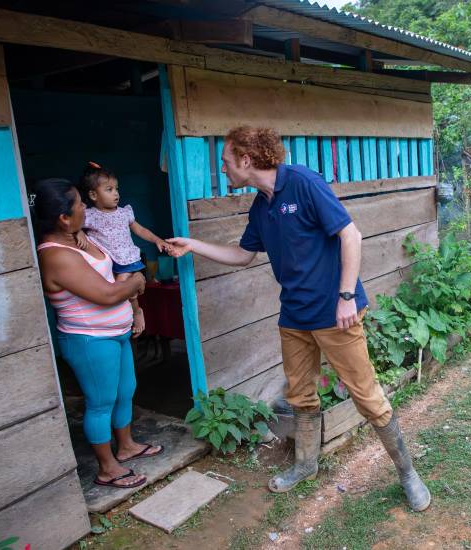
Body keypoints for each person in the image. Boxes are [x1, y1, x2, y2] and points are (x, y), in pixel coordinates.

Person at [167, 126, 431, 511]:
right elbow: (243, 255)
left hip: (335, 313)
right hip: (294, 316)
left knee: (367, 396)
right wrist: (192, 245)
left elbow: (350, 236)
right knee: (300, 394)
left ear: (246, 159)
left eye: (225, 161)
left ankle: (408, 473)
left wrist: (345, 297)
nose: (222, 169)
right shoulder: (261, 207)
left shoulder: (304, 182)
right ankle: (306, 465)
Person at [34, 178, 163, 489]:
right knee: (101, 401)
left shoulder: (77, 237)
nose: (84, 208)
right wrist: (133, 283)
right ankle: (107, 467)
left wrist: (130, 288)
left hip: (115, 334)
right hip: (90, 340)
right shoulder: (55, 254)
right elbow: (106, 294)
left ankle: (127, 446)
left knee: (124, 390)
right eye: (79, 204)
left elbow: (114, 266)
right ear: (64, 217)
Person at [76, 162, 171, 336]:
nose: (116, 194)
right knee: (115, 290)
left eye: (117, 189)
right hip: (107, 263)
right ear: (93, 195)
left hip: (127, 259)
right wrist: (79, 233)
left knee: (123, 289)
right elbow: (73, 226)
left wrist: (157, 239)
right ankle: (124, 316)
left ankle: (136, 312)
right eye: (109, 189)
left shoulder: (124, 212)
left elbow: (140, 230)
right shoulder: (89, 216)